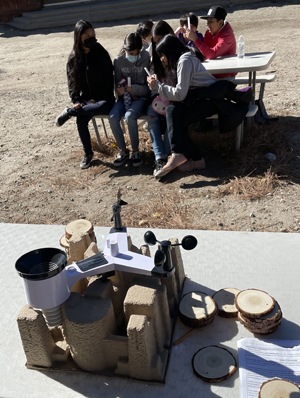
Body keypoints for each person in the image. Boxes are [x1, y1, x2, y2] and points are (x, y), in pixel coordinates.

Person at [147, 35, 250, 178]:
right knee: (173, 113)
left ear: (170, 52)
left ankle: (182, 155)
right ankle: (191, 158)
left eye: (163, 55)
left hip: (210, 101)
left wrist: (158, 86)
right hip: (200, 99)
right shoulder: (184, 58)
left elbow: (180, 94)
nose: (162, 59)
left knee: (175, 119)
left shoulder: (184, 61)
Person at [55, 20, 114, 169]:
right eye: (86, 35)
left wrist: (97, 98)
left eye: (92, 34)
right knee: (81, 119)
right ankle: (88, 153)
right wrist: (77, 100)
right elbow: (72, 83)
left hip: (104, 100)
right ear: (78, 37)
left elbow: (109, 80)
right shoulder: (74, 57)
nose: (91, 37)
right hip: (86, 101)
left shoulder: (101, 53)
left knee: (84, 112)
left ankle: (69, 113)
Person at [109, 32, 150, 167]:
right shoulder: (118, 60)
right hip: (124, 98)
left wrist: (135, 89)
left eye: (134, 53)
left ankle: (136, 150)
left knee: (130, 116)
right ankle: (123, 150)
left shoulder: (145, 57)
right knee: (113, 117)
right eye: (128, 52)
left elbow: (147, 88)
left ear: (140, 50)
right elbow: (116, 84)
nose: (131, 56)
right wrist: (119, 90)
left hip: (140, 98)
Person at [147, 20, 176, 177]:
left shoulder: (178, 55)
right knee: (151, 116)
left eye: (160, 41)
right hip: (159, 99)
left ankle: (168, 156)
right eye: (155, 42)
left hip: (175, 98)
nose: (158, 46)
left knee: (171, 115)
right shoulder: (154, 58)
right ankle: (159, 157)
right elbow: (152, 86)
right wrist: (152, 84)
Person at [186, 5, 236, 80]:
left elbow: (212, 54)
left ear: (220, 23)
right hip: (211, 73)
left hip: (225, 76)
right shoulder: (209, 32)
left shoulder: (227, 35)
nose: (207, 24)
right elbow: (204, 53)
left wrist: (195, 39)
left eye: (211, 21)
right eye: (207, 21)